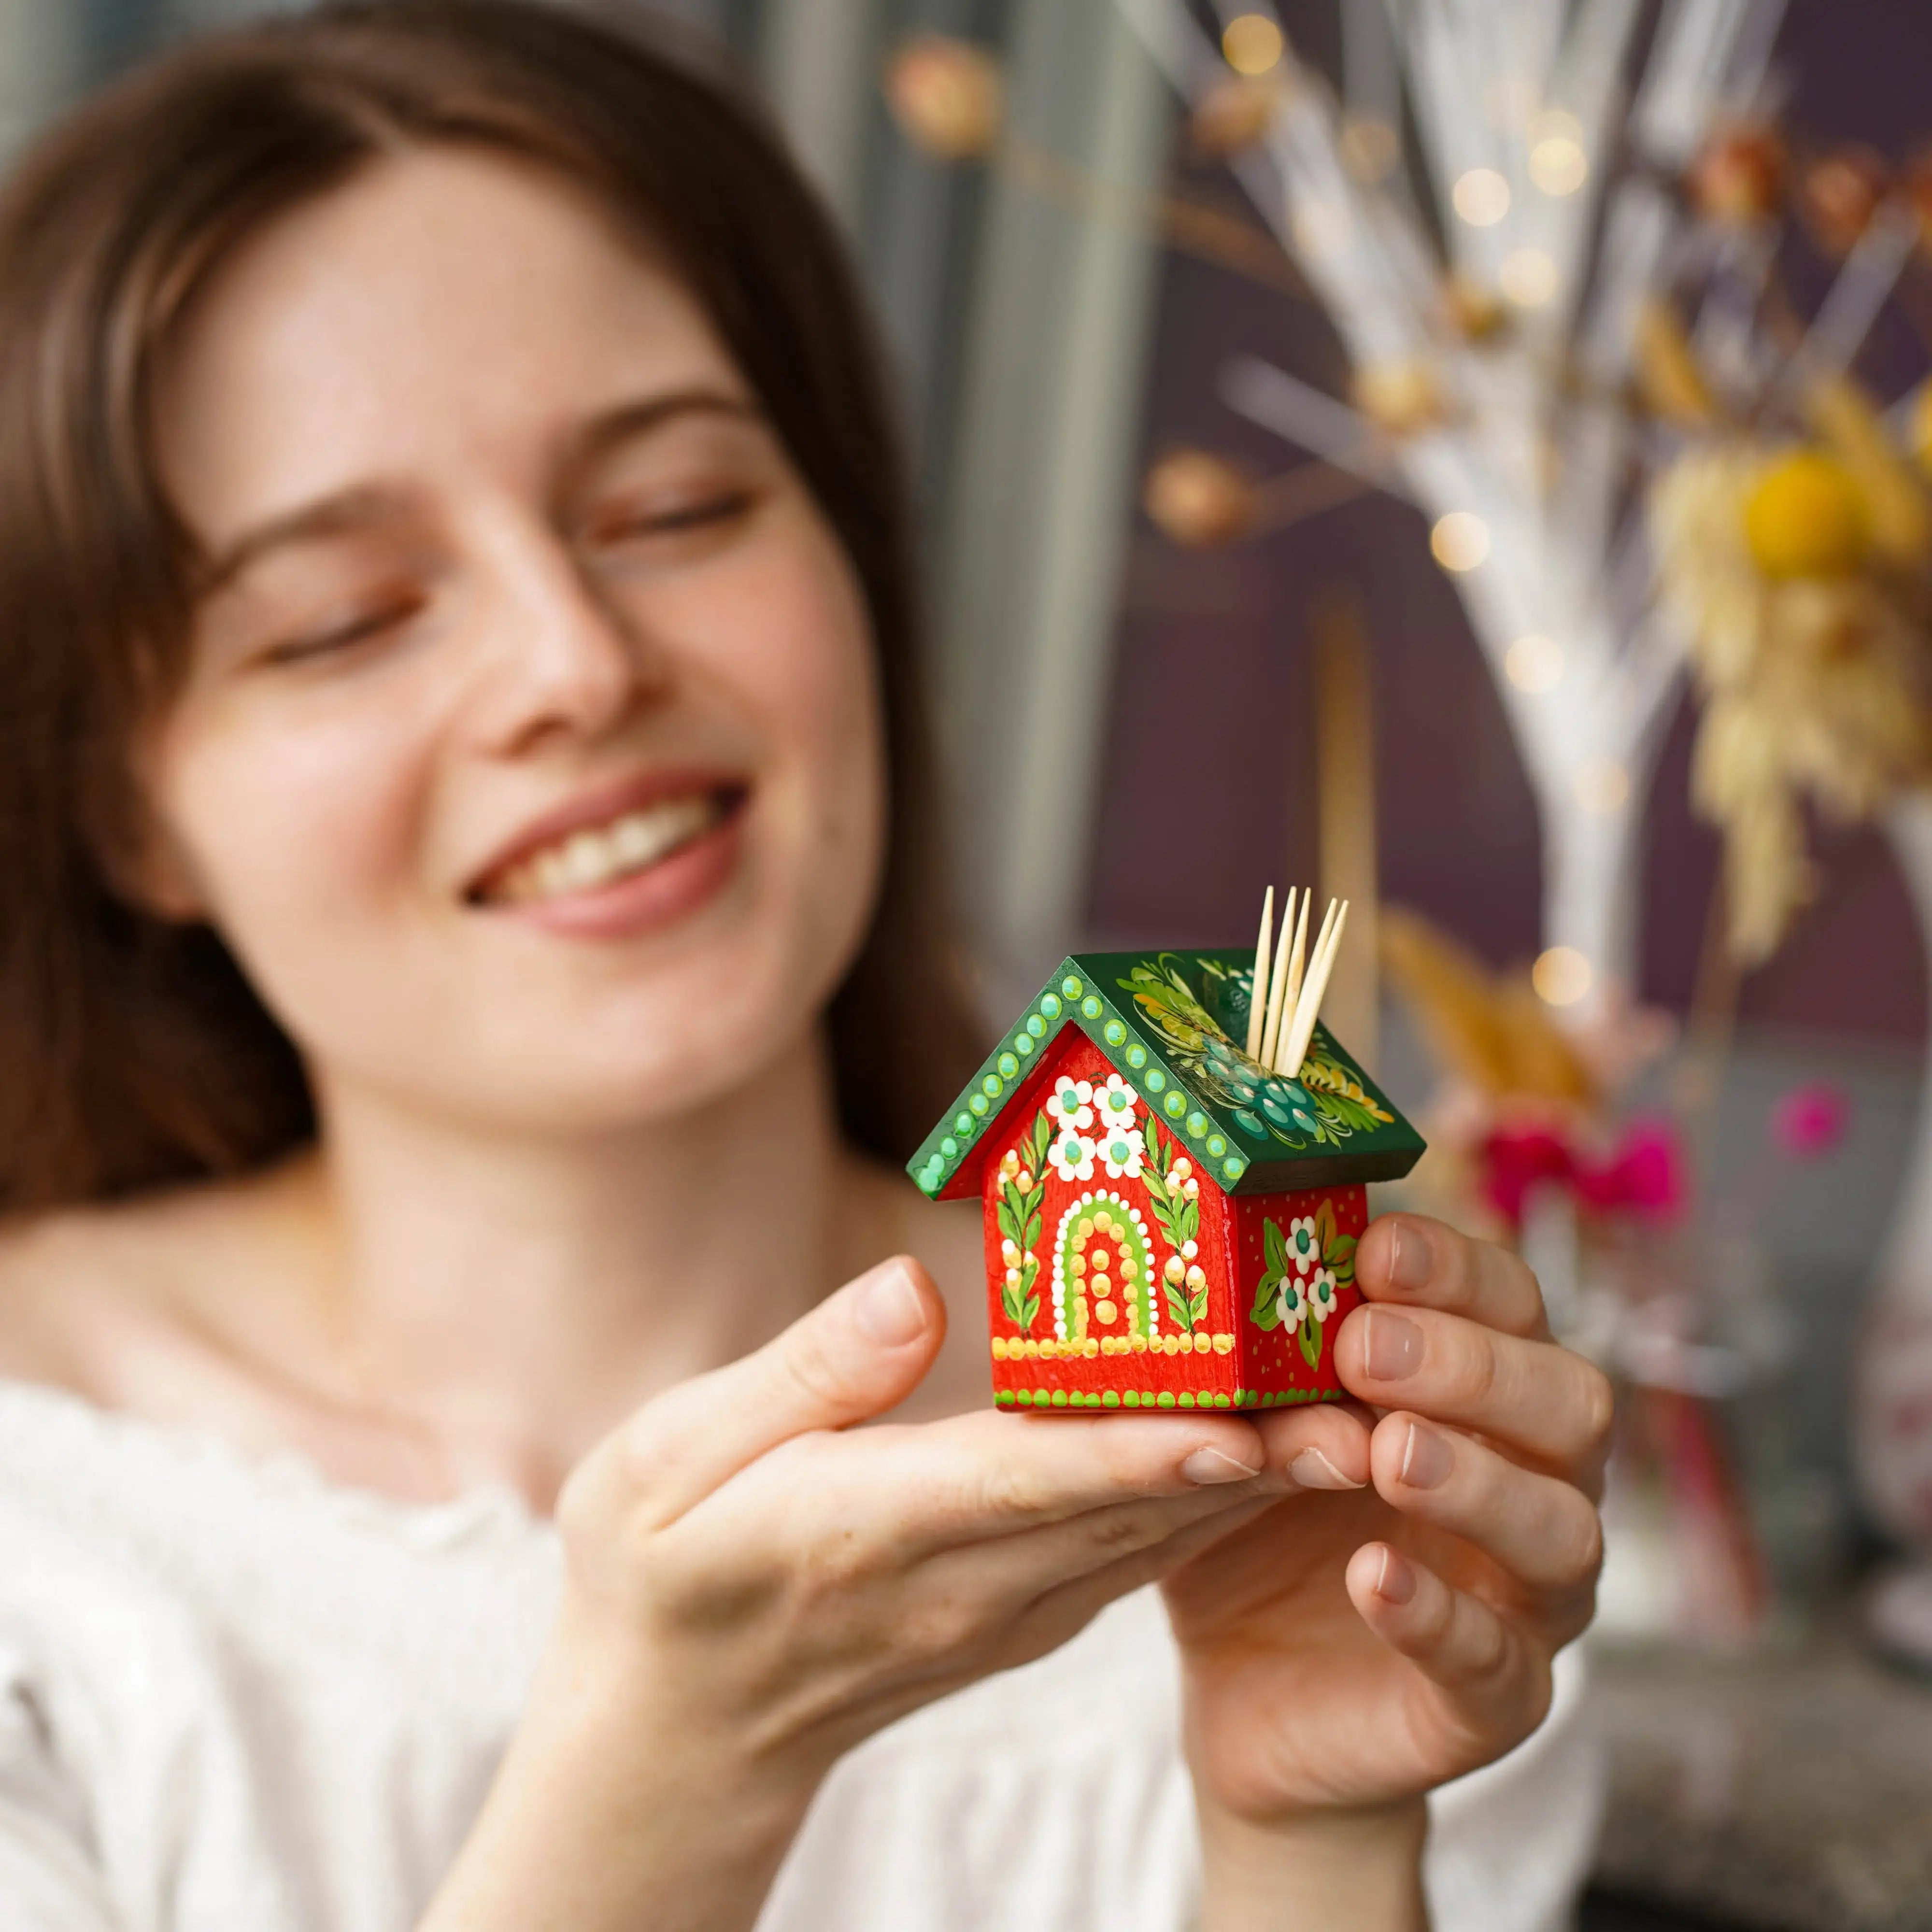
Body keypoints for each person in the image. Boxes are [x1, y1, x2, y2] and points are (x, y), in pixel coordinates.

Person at [0, 5, 1612, 1928]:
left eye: (678, 510)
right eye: (344, 621)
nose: (575, 664)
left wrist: (1313, 1834)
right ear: (125, 810)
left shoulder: (1314, 1490)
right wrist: (674, 1763)